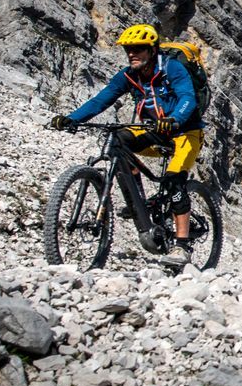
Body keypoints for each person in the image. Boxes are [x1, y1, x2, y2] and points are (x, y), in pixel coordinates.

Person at [48, 24, 203, 250]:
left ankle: (182, 246)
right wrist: (72, 119)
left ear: (152, 50)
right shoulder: (128, 76)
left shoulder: (172, 68)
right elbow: (101, 100)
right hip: (154, 130)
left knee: (174, 183)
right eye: (128, 49)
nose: (131, 53)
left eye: (138, 48)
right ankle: (138, 200)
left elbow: (188, 98)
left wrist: (175, 118)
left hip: (185, 132)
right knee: (119, 140)